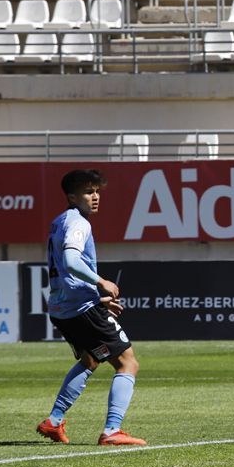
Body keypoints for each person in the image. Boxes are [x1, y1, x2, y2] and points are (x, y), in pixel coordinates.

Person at [36, 169, 146, 447]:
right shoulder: (78, 223)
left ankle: (54, 421)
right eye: (88, 192)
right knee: (127, 363)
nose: (95, 197)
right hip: (80, 308)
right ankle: (112, 430)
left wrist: (94, 299)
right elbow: (71, 262)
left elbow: (65, 269)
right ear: (72, 196)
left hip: (63, 308)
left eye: (97, 191)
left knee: (89, 360)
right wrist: (101, 283)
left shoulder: (59, 221)